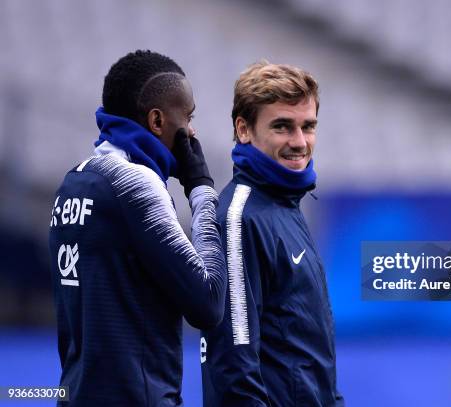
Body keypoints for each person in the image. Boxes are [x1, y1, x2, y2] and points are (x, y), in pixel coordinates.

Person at [48, 50, 226, 406]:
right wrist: (202, 190)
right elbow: (209, 302)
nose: (191, 131)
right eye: (187, 117)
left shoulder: (73, 182)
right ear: (157, 121)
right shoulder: (136, 184)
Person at [201, 61, 344, 406]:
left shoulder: (285, 203)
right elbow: (234, 367)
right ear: (244, 129)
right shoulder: (239, 219)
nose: (300, 142)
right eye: (282, 127)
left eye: (308, 127)